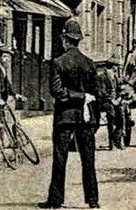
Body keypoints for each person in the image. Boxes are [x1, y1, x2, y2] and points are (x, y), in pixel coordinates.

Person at [41, 18, 99, 210]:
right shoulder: (90, 63)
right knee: (88, 160)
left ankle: (55, 200)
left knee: (60, 158)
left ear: (65, 40)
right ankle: (93, 200)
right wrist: (94, 117)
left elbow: (56, 91)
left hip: (65, 117)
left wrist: (77, 96)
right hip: (86, 117)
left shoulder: (59, 62)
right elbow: (96, 94)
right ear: (78, 40)